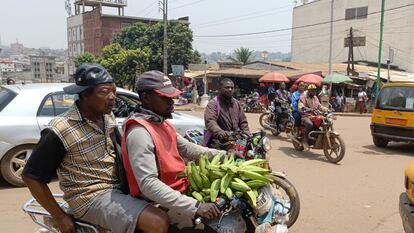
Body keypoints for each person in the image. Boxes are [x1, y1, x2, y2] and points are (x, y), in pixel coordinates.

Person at [22, 64, 166, 233]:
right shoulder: (61, 129)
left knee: (171, 206)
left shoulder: (106, 116)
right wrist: (59, 216)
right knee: (158, 222)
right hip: (90, 197)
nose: (112, 97)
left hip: (117, 188)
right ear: (85, 95)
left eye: (114, 91)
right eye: (105, 92)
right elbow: (31, 176)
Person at [122, 71, 224, 230]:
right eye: (165, 97)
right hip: (159, 203)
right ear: (146, 98)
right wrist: (195, 206)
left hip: (179, 191)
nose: (172, 102)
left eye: (172, 97)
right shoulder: (139, 133)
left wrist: (226, 155)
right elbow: (148, 184)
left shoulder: (162, 123)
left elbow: (190, 149)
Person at [204, 78, 249, 149]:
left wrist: (246, 132)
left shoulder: (237, 103)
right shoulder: (214, 103)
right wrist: (220, 133)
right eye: (227, 87)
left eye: (232, 88)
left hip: (236, 140)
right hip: (219, 141)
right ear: (220, 88)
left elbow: (243, 121)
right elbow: (210, 121)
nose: (230, 89)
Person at [299, 84, 327, 150]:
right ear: (308, 91)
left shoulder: (315, 98)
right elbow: (300, 106)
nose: (313, 92)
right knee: (310, 124)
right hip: (306, 116)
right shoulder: (303, 97)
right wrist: (307, 109)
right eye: (311, 90)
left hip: (314, 115)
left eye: (314, 90)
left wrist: (327, 109)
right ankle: (304, 141)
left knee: (324, 122)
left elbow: (320, 106)